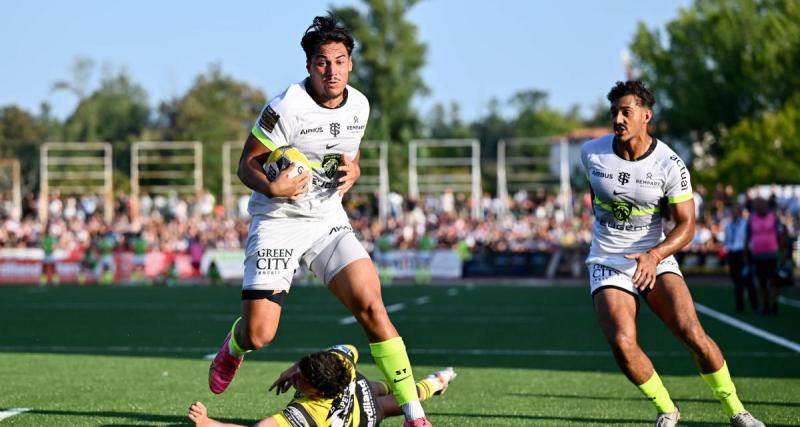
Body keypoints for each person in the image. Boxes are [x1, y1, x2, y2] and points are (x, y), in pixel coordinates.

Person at [208, 14, 431, 427]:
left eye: (340, 61)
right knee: (260, 334)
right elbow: (247, 164)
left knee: (372, 305)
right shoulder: (286, 106)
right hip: (278, 219)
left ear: (350, 64)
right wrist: (273, 189)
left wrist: (356, 172)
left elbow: (349, 158)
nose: (332, 71)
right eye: (323, 62)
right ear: (309, 65)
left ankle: (415, 416)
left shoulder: (360, 105)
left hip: (327, 216)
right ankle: (234, 348)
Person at [580, 80, 764, 427]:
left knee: (692, 333)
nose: (618, 119)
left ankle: (737, 410)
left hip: (655, 256)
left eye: (626, 112)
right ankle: (667, 409)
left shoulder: (670, 164)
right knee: (622, 342)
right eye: (614, 112)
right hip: (607, 261)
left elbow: (687, 225)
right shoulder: (591, 153)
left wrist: (654, 254)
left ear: (646, 116)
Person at [190, 345, 456, 427]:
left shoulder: (311, 412)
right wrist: (293, 369)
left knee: (387, 400)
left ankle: (439, 379)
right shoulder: (339, 363)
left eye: (300, 379)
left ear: (317, 392)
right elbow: (349, 349)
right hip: (356, 386)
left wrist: (208, 423)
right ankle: (440, 379)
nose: (296, 377)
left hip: (360, 420)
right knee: (393, 391)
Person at [745, 197, 782, 315]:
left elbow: (781, 234)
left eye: (761, 205)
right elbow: (748, 237)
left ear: (766, 205)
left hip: (772, 254)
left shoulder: (774, 218)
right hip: (758, 255)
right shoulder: (752, 219)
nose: (759, 207)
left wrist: (782, 251)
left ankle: (775, 304)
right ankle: (765, 304)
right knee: (761, 281)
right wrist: (745, 253)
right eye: (757, 205)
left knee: (774, 281)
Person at [723, 205, 758, 312]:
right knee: (737, 281)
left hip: (743, 253)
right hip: (733, 254)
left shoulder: (746, 224)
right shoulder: (728, 225)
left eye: (736, 212)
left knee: (748, 281)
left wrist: (746, 254)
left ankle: (754, 305)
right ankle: (740, 306)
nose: (734, 214)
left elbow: (748, 239)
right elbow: (727, 241)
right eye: (733, 212)